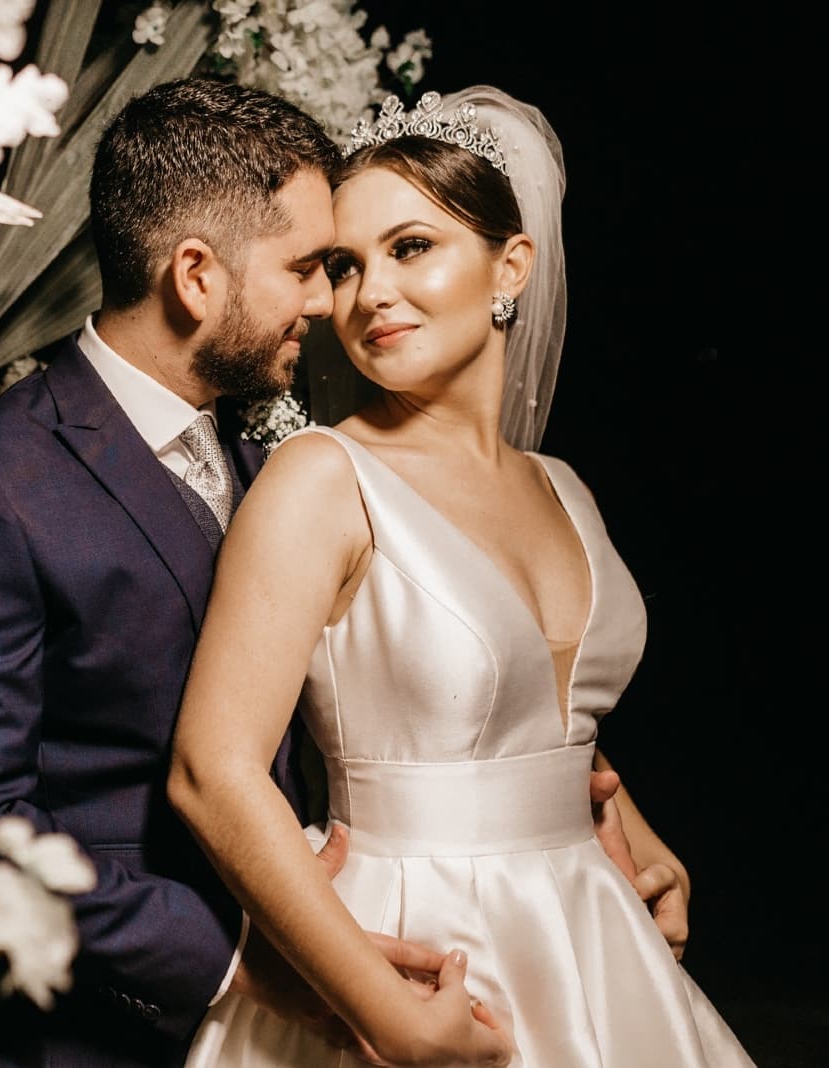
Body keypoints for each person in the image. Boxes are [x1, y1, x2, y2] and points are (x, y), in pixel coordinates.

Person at [0, 77, 453, 1068]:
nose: (328, 298)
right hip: (101, 1038)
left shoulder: (275, 467)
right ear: (195, 274)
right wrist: (232, 963)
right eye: (307, 266)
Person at [169, 86, 755, 1066]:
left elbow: (549, 713)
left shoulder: (562, 489)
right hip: (411, 956)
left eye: (409, 248)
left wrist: (637, 837)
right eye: (343, 266)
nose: (369, 296)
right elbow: (209, 771)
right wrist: (383, 1014)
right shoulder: (321, 478)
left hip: (589, 938)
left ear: (510, 265)